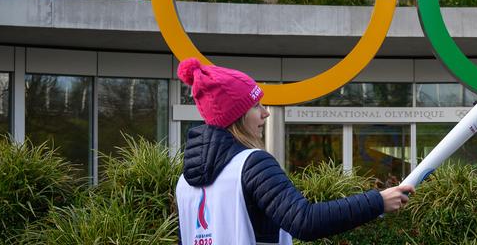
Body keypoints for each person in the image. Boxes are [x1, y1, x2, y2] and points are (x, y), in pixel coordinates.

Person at [175, 58, 414, 245]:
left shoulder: (185, 182)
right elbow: (305, 221)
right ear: (236, 116)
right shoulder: (252, 165)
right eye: (256, 106)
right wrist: (377, 201)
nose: (265, 114)